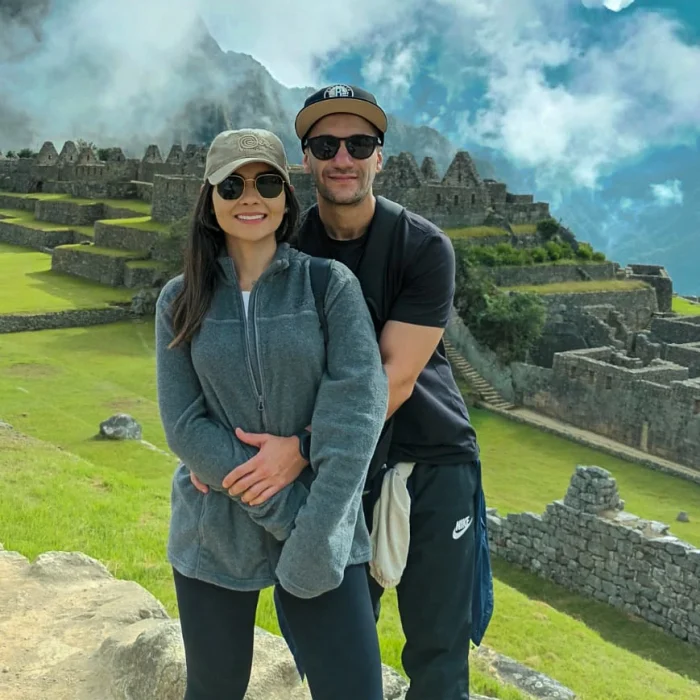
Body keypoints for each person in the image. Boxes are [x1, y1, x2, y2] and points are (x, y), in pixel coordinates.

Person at [191, 87, 491, 699]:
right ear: (307, 158)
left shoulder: (422, 246)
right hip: (340, 474)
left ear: (380, 156)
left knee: (438, 651)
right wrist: (207, 448)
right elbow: (246, 348)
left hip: (429, 456)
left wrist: (300, 446)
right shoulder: (290, 250)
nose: (343, 158)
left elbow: (396, 375)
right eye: (326, 145)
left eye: (360, 144)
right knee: (335, 641)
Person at [155, 127, 389, 700]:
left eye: (264, 182)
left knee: (354, 691)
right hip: (217, 530)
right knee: (214, 690)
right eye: (231, 185)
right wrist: (284, 511)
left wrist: (311, 534)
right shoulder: (180, 299)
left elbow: (355, 414)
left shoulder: (329, 286)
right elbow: (184, 423)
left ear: (286, 196)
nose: (249, 197)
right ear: (210, 202)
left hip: (323, 522)